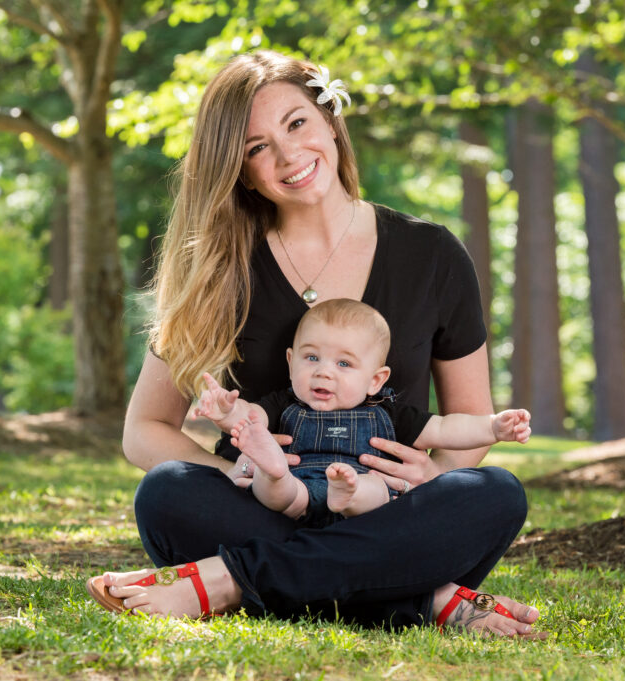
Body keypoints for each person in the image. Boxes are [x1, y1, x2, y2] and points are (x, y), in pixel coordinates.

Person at [85, 50, 546, 639]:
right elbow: (144, 428)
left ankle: (228, 581)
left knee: (495, 495)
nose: (287, 155)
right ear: (239, 169)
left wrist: (427, 476)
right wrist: (240, 479)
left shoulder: (431, 255)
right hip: (264, 508)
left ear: (330, 119)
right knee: (168, 492)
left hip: (388, 509)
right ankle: (423, 601)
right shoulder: (220, 269)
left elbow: (469, 423)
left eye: (297, 123)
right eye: (256, 147)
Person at [193, 298, 532, 524]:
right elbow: (251, 418)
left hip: (360, 502)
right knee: (273, 486)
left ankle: (348, 494)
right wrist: (226, 413)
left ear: (375, 380)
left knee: (378, 489)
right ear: (290, 361)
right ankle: (274, 469)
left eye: (344, 363)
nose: (324, 371)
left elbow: (444, 429)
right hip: (295, 494)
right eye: (311, 358)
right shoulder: (283, 403)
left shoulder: (387, 411)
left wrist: (492, 428)